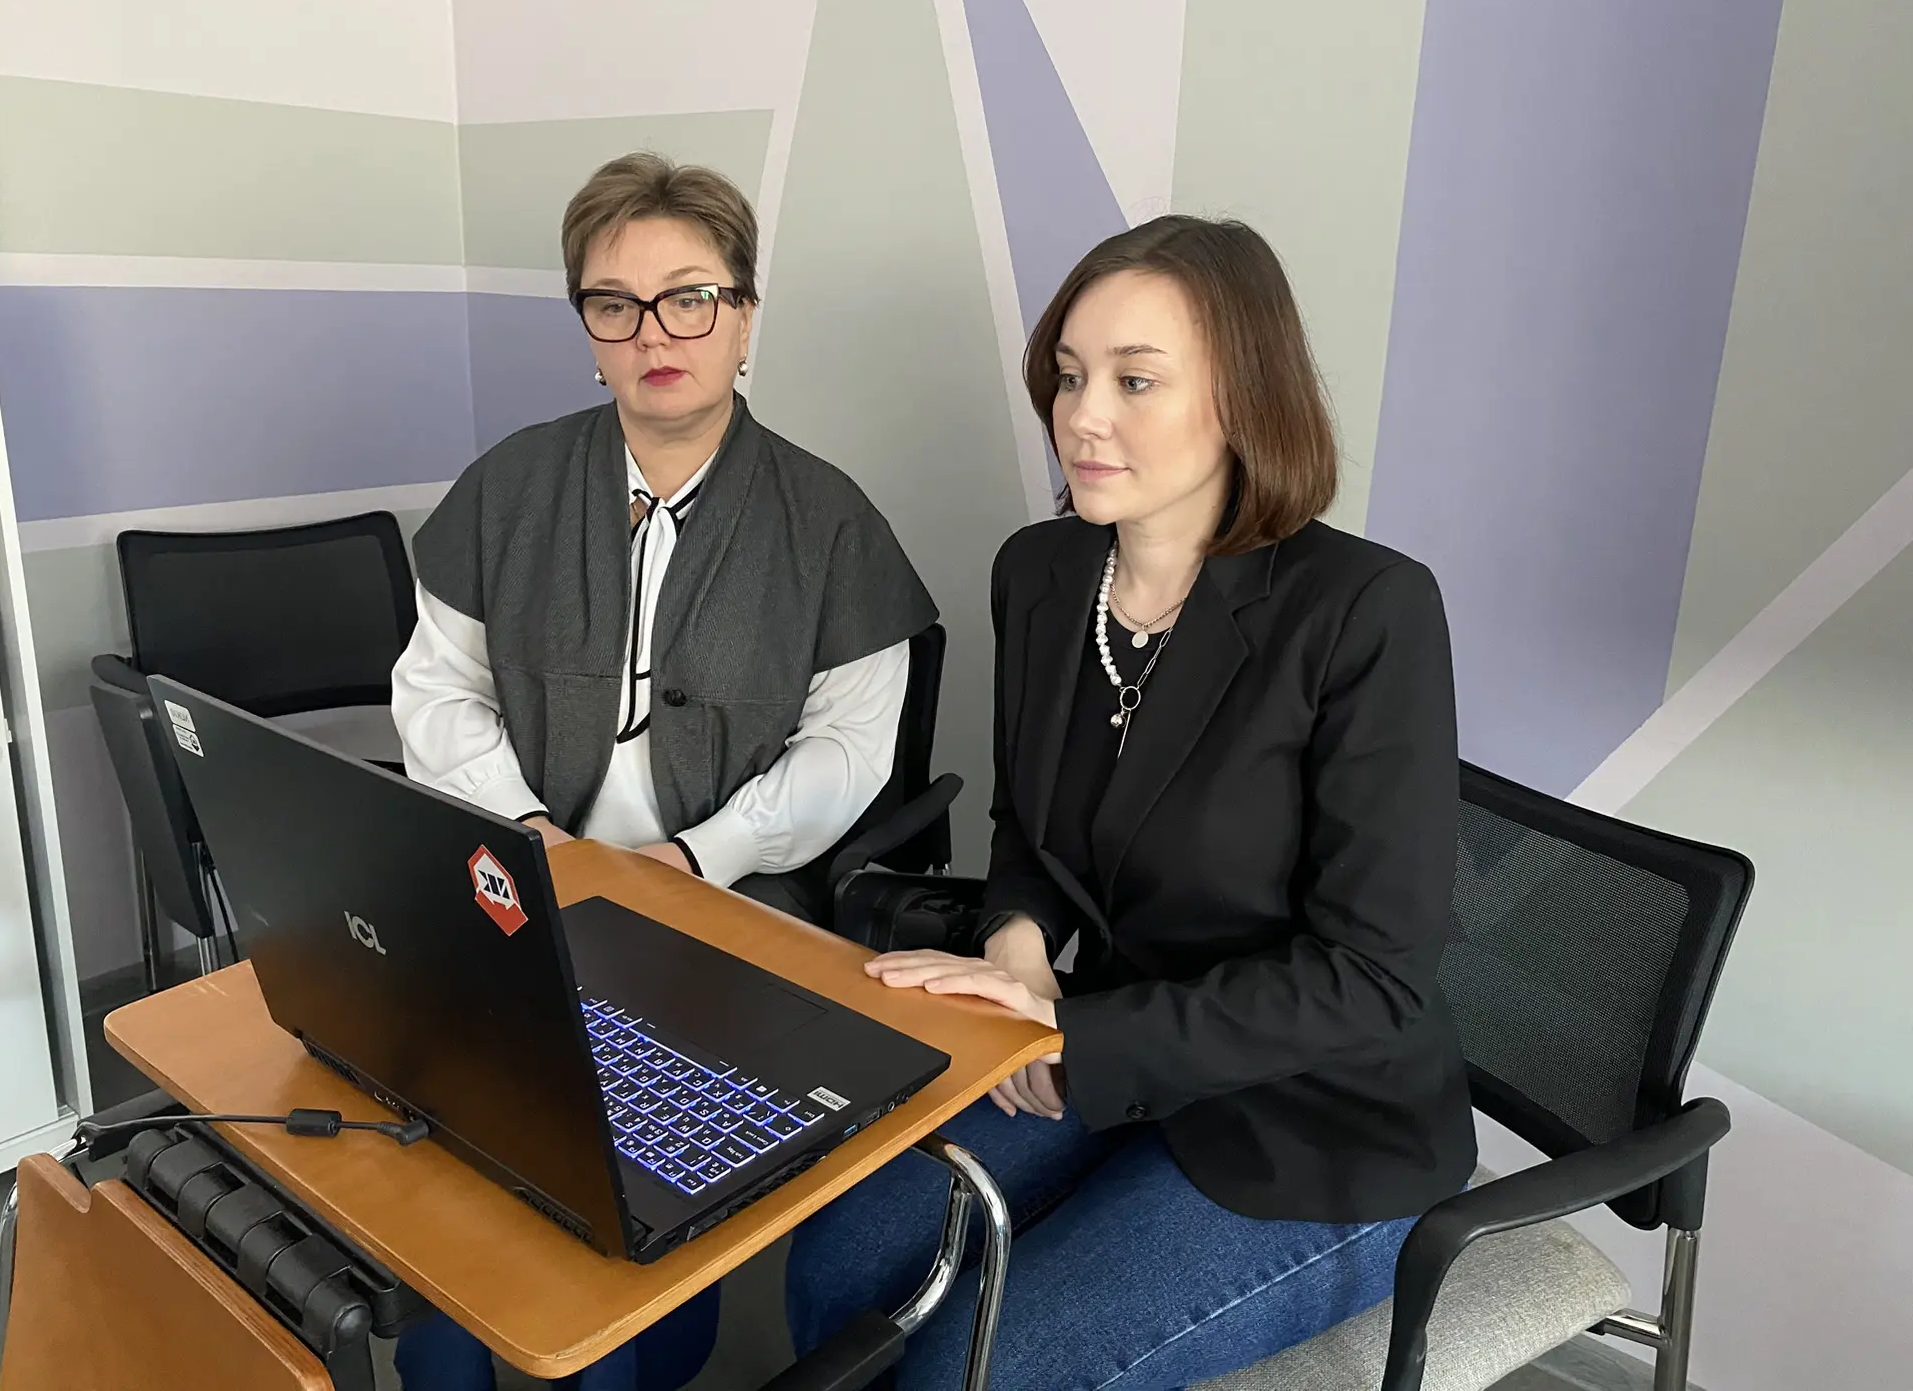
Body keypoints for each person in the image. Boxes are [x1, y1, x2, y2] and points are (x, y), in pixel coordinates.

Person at [783, 215, 1478, 1389]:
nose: (1082, 415)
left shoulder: (1365, 611)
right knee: (836, 1263)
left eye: (1135, 380)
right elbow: (1028, 827)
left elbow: (1375, 977)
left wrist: (1082, 1040)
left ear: (1244, 397)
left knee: (971, 1371)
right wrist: (1016, 945)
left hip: (1315, 1127)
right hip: (1099, 1052)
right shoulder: (1041, 573)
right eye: (1068, 376)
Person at [390, 153, 936, 1390]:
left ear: (744, 315)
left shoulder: (831, 520)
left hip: (722, 905)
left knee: (624, 1172)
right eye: (615, 304)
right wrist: (527, 831)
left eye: (690, 298)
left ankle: (634, 1346)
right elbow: (435, 688)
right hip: (519, 877)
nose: (653, 334)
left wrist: (699, 857)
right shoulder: (511, 486)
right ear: (587, 329)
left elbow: (853, 748)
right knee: (437, 1142)